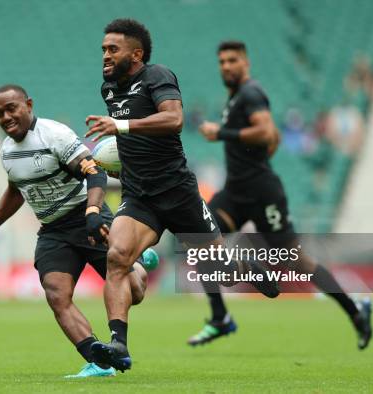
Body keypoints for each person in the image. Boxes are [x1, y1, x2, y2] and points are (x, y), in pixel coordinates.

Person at [85, 19, 279, 372]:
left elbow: (173, 120)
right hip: (140, 195)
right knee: (117, 256)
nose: (106, 56)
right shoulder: (109, 88)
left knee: (222, 271)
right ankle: (118, 346)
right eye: (103, 50)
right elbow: (132, 142)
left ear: (137, 53)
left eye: (113, 49)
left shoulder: (158, 76)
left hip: (178, 193)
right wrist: (118, 159)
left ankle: (245, 265)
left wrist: (122, 126)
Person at [193, 40, 372, 350]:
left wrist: (221, 134)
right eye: (221, 61)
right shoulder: (236, 98)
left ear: (246, 63)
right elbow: (271, 136)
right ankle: (220, 317)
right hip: (236, 191)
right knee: (200, 238)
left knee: (298, 262)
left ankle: (356, 313)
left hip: (263, 194)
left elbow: (265, 133)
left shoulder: (251, 93)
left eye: (232, 60)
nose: (226, 66)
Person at [0, 84, 158, 378]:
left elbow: (95, 173)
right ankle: (99, 363)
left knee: (135, 292)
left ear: (29, 105)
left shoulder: (54, 135)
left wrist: (93, 212)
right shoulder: (7, 151)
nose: (6, 117)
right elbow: (17, 189)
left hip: (87, 217)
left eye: (12, 109)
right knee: (56, 294)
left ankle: (136, 258)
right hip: (53, 231)